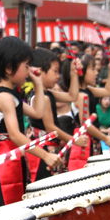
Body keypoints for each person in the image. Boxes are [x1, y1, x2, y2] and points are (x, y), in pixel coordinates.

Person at [0, 37, 62, 209]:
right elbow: (15, 134)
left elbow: (37, 112)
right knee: (5, 208)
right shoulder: (4, 97)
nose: (29, 71)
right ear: (9, 68)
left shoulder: (11, 95)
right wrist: (45, 155)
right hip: (6, 158)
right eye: (26, 66)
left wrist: (38, 84)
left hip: (14, 155)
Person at [27, 48, 84, 181]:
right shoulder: (43, 98)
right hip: (45, 150)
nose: (58, 76)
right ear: (40, 71)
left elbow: (72, 96)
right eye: (55, 71)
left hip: (50, 148)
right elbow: (50, 127)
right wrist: (73, 139)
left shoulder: (47, 94)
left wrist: (73, 74)